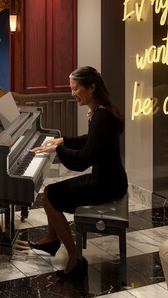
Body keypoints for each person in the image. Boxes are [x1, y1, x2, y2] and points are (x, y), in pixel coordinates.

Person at [28, 66, 127, 278]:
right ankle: (51, 239)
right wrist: (64, 140)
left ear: (91, 87)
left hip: (107, 183)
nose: (72, 93)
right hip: (110, 179)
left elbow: (83, 161)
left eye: (75, 89)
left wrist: (58, 149)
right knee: (50, 193)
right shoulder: (102, 110)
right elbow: (90, 140)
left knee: (50, 195)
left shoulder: (101, 116)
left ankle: (74, 258)